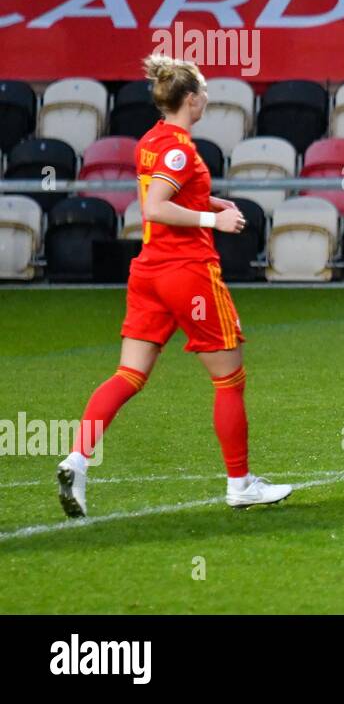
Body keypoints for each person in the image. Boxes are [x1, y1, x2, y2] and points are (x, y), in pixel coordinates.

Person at [56, 56, 291, 518]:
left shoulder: (153, 140)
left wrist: (210, 200)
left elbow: (160, 195)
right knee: (230, 379)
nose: (207, 99)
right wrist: (214, 219)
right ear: (190, 99)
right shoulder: (180, 148)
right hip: (188, 273)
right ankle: (240, 483)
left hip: (148, 274)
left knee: (129, 375)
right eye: (203, 92)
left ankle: (77, 460)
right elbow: (156, 209)